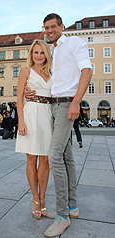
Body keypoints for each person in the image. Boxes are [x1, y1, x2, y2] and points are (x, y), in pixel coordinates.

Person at [25, 13, 92, 237]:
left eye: (53, 26)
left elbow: (87, 71)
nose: (50, 30)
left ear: (61, 26)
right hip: (51, 106)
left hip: (66, 105)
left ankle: (62, 216)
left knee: (53, 155)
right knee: (66, 155)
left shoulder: (73, 42)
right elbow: (46, 79)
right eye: (46, 27)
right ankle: (72, 208)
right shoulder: (50, 51)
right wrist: (29, 90)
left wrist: (76, 102)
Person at [15, 39, 53, 220]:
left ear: (47, 55)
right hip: (30, 114)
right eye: (36, 52)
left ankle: (43, 196)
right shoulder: (25, 71)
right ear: (31, 54)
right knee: (31, 158)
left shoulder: (51, 72)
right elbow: (19, 99)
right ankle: (35, 198)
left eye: (42, 52)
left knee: (45, 159)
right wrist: (21, 122)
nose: (39, 56)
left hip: (47, 114)